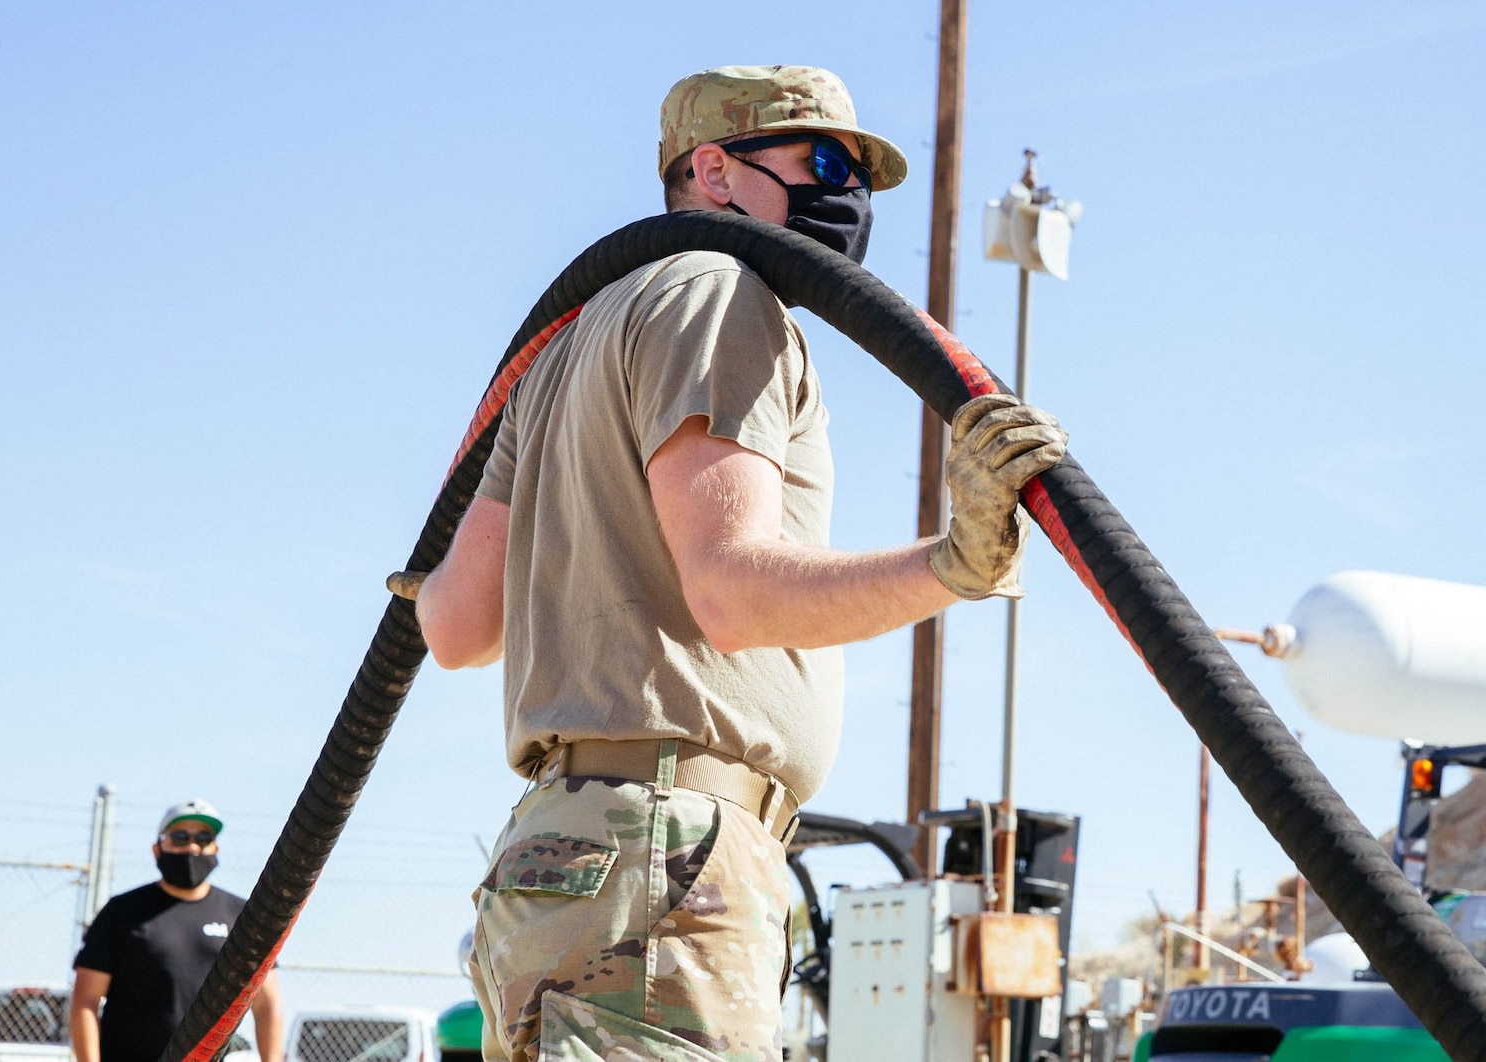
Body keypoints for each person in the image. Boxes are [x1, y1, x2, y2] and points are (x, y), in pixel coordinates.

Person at [408, 64, 1068, 1062]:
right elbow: (730, 589)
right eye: (821, 158)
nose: (845, 190)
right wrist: (955, 562)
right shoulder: (719, 291)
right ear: (712, 170)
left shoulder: (565, 345)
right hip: (663, 852)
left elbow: (454, 626)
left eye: (855, 169)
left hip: (556, 851)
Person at [70, 800, 284, 1062]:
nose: (192, 847)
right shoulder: (122, 912)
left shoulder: (241, 915)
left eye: (203, 838)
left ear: (215, 848)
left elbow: (266, 1004)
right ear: (157, 849)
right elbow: (85, 1001)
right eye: (180, 837)